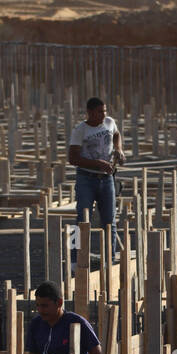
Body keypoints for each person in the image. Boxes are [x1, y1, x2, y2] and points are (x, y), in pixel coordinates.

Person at [68, 97, 125, 264]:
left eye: (104, 111)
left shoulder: (109, 122)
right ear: (90, 113)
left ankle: (109, 259)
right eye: (100, 112)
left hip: (106, 179)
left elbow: (116, 134)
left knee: (109, 221)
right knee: (82, 219)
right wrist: (97, 164)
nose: (103, 114)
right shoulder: (80, 130)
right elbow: (73, 158)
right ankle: (74, 260)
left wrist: (119, 149)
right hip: (86, 178)